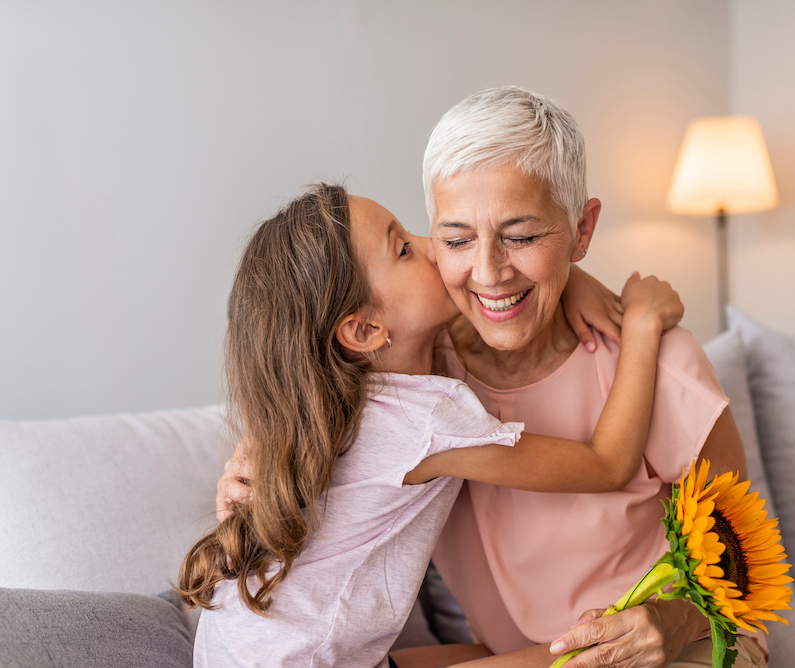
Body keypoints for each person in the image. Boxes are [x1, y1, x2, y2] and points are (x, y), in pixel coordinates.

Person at [220, 87, 764, 668]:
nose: (487, 272)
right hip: (528, 654)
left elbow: (744, 571)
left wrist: (670, 619)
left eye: (523, 236)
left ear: (583, 229)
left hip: (676, 649)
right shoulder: (424, 363)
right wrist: (253, 451)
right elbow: (305, 364)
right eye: (454, 239)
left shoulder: (661, 367)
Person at [178, 182, 684, 668]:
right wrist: (640, 327)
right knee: (590, 655)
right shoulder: (421, 420)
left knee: (490, 655)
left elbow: (499, 296)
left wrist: (570, 281)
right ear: (365, 329)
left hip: (236, 654)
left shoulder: (333, 397)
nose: (433, 245)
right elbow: (606, 464)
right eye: (403, 249)